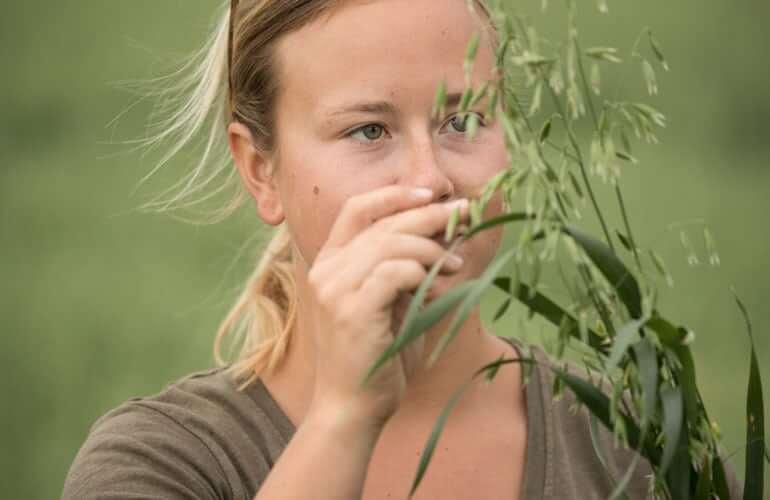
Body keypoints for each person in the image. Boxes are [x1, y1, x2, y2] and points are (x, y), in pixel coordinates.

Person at [62, 1, 740, 499]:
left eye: (464, 119)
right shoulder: (164, 463)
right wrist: (343, 417)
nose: (430, 180)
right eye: (368, 131)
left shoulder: (629, 439)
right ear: (260, 171)